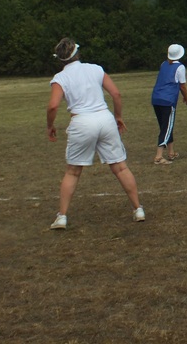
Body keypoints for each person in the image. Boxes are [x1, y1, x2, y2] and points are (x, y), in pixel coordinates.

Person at [46, 37, 144, 230]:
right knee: (121, 168)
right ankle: (138, 209)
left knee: (73, 172)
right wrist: (118, 116)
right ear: (77, 53)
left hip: (82, 122)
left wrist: (50, 126)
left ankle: (62, 217)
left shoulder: (60, 78)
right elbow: (116, 94)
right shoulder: (95, 69)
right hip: (105, 119)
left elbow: (53, 106)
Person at [151, 44, 187, 164]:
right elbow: (182, 86)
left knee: (166, 126)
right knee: (166, 127)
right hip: (168, 100)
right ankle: (158, 156)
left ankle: (171, 152)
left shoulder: (163, 64)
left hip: (156, 98)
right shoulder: (180, 67)